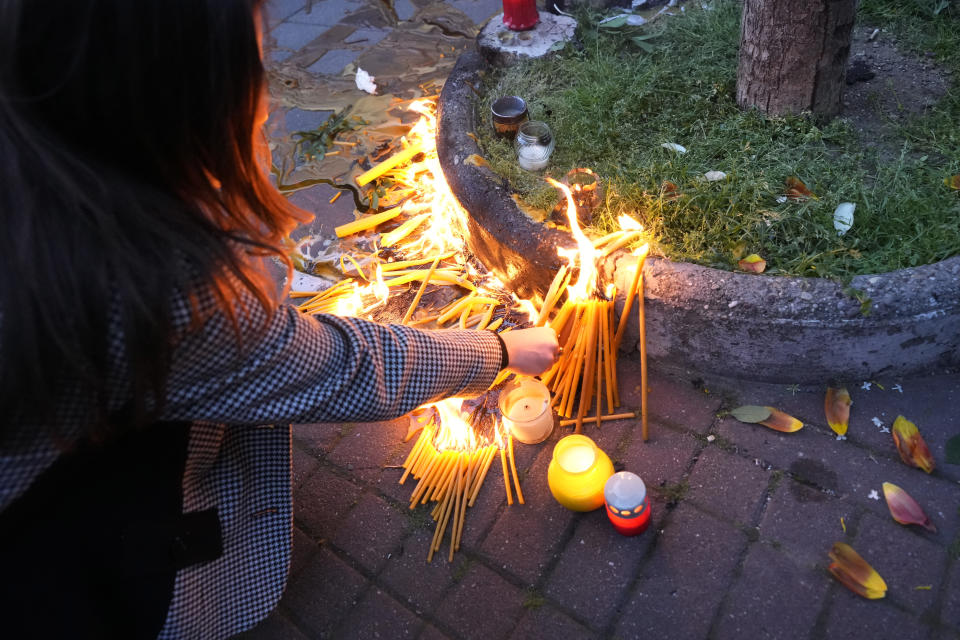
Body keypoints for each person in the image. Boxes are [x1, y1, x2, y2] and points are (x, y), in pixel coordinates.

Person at [0, 0, 559, 638]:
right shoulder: (153, 288)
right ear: (174, 103)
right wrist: (500, 351)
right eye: (251, 72)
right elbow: (346, 368)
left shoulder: (40, 163)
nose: (265, 101)